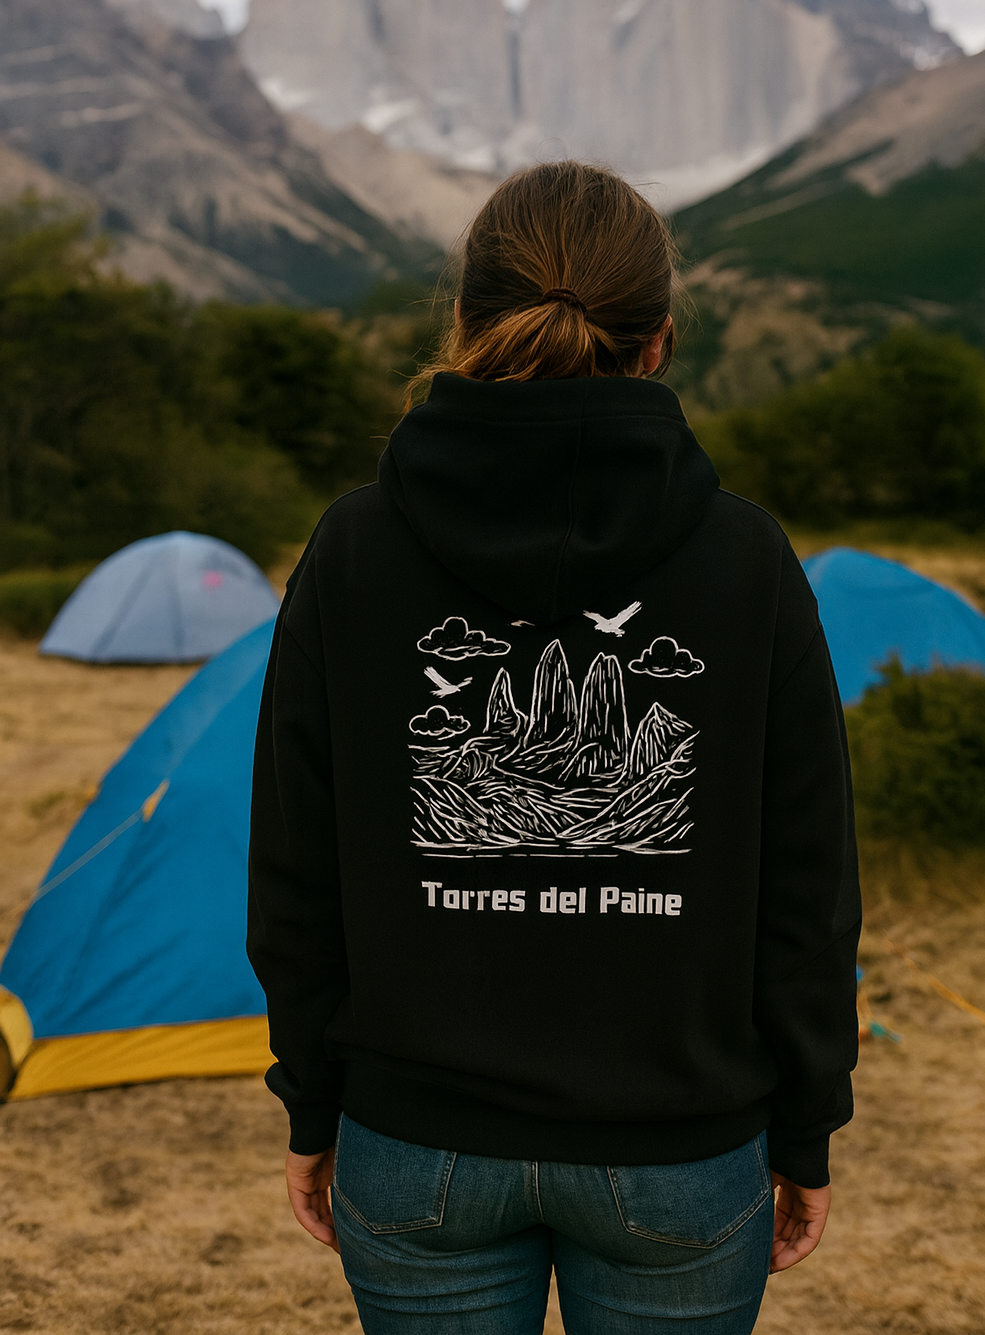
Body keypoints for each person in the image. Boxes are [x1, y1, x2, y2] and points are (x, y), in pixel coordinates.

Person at [247, 160, 860, 1334]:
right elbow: (808, 885)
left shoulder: (354, 550)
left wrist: (314, 1105)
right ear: (659, 341)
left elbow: (295, 868)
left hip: (415, 1145)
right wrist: (805, 1125)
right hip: (679, 1152)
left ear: (465, 324)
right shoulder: (746, 560)